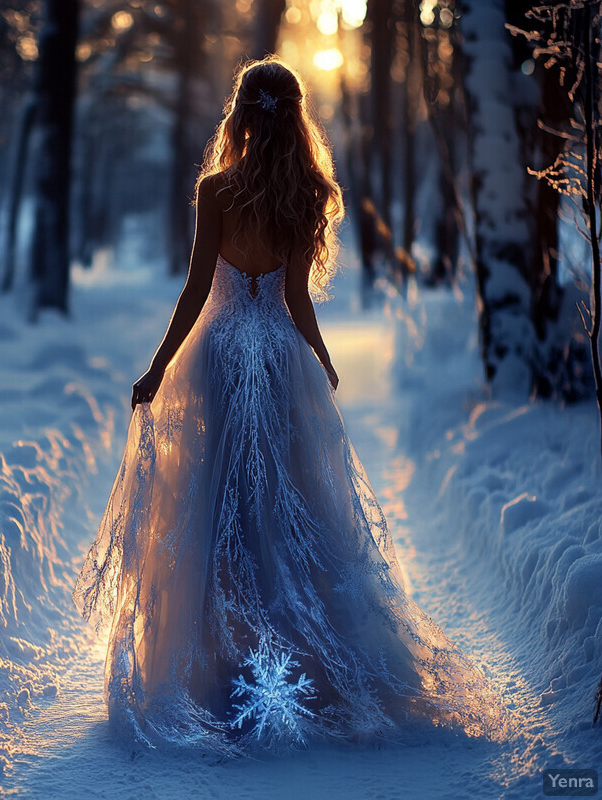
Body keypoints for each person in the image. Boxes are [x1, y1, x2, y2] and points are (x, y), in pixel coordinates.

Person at [72, 56, 513, 757]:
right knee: (287, 500)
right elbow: (296, 297)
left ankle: (223, 667)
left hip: (218, 356)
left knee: (221, 503)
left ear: (242, 116)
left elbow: (195, 291)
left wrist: (158, 368)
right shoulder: (307, 193)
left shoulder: (216, 190)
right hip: (277, 359)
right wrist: (320, 358)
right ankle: (302, 658)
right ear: (296, 119)